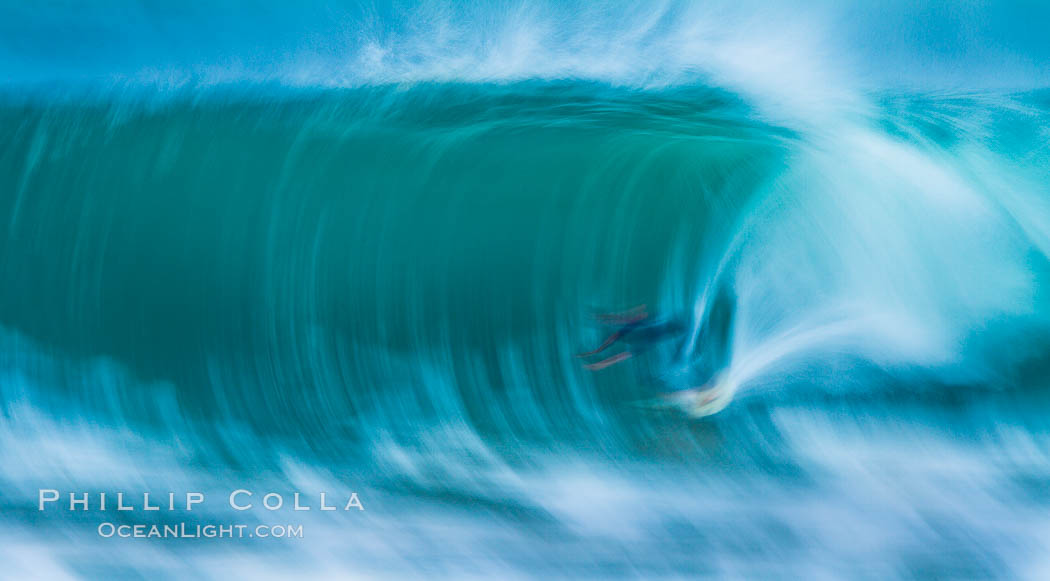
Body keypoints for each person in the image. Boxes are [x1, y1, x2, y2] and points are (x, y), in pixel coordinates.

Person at [576, 304, 689, 371]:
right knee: (630, 323)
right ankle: (602, 323)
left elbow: (620, 355)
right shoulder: (640, 336)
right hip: (653, 330)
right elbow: (621, 356)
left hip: (653, 329)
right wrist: (600, 359)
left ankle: (601, 322)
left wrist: (599, 357)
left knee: (629, 323)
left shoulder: (635, 330)